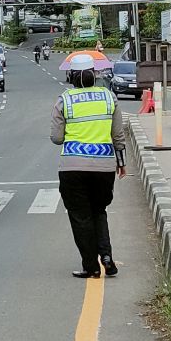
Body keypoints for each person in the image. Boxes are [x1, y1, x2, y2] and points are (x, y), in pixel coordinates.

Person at [50, 53, 126, 278]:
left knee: (80, 216)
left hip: (72, 168)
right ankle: (107, 257)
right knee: (99, 211)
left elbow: (56, 138)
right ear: (94, 75)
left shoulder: (64, 100)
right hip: (104, 168)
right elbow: (118, 135)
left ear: (72, 76)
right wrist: (121, 163)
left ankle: (91, 266)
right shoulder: (109, 97)